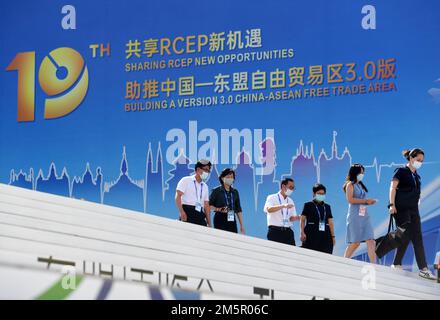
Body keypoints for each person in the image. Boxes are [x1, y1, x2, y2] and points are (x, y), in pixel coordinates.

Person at [388, 148, 436, 280]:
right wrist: (391, 205)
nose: (420, 163)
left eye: (422, 161)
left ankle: (422, 269)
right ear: (411, 158)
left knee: (417, 237)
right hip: (401, 209)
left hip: (414, 209)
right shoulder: (401, 171)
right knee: (406, 234)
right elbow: (392, 187)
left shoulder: (417, 176)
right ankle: (398, 263)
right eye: (418, 160)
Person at [343, 164, 377, 263]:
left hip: (364, 216)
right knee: (355, 242)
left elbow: (362, 200)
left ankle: (374, 266)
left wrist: (369, 202)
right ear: (355, 173)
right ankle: (343, 262)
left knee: (371, 240)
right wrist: (366, 201)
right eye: (360, 172)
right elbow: (350, 200)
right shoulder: (350, 184)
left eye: (363, 173)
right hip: (355, 216)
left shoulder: (360, 185)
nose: (362, 174)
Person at [300, 183, 335, 254]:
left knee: (326, 257)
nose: (321, 195)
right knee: (310, 256)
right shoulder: (308, 205)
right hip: (311, 234)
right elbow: (302, 220)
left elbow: (330, 222)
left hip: (325, 235)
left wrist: (333, 237)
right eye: (319, 193)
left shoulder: (327, 207)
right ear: (314, 194)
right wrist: (302, 232)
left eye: (323, 194)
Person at [264, 178, 301, 245]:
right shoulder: (272, 197)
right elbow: (268, 209)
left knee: (291, 253)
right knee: (275, 253)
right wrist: (283, 206)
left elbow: (291, 218)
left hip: (288, 232)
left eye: (293, 188)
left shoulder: (290, 200)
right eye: (290, 187)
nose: (291, 190)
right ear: (283, 186)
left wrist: (298, 217)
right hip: (275, 231)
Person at [175, 159, 212, 227]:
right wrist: (181, 212)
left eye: (208, 171)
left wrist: (209, 222)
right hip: (187, 211)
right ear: (198, 169)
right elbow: (178, 196)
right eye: (205, 170)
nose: (207, 172)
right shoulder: (186, 180)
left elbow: (206, 205)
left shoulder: (205, 186)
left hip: (200, 213)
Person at [209, 168, 245, 234]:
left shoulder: (235, 192)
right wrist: (219, 209)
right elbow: (209, 206)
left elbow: (238, 209)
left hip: (231, 218)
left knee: (233, 239)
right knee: (221, 239)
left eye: (232, 177)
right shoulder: (216, 190)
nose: (230, 179)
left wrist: (242, 225)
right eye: (228, 177)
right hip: (220, 217)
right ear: (222, 178)